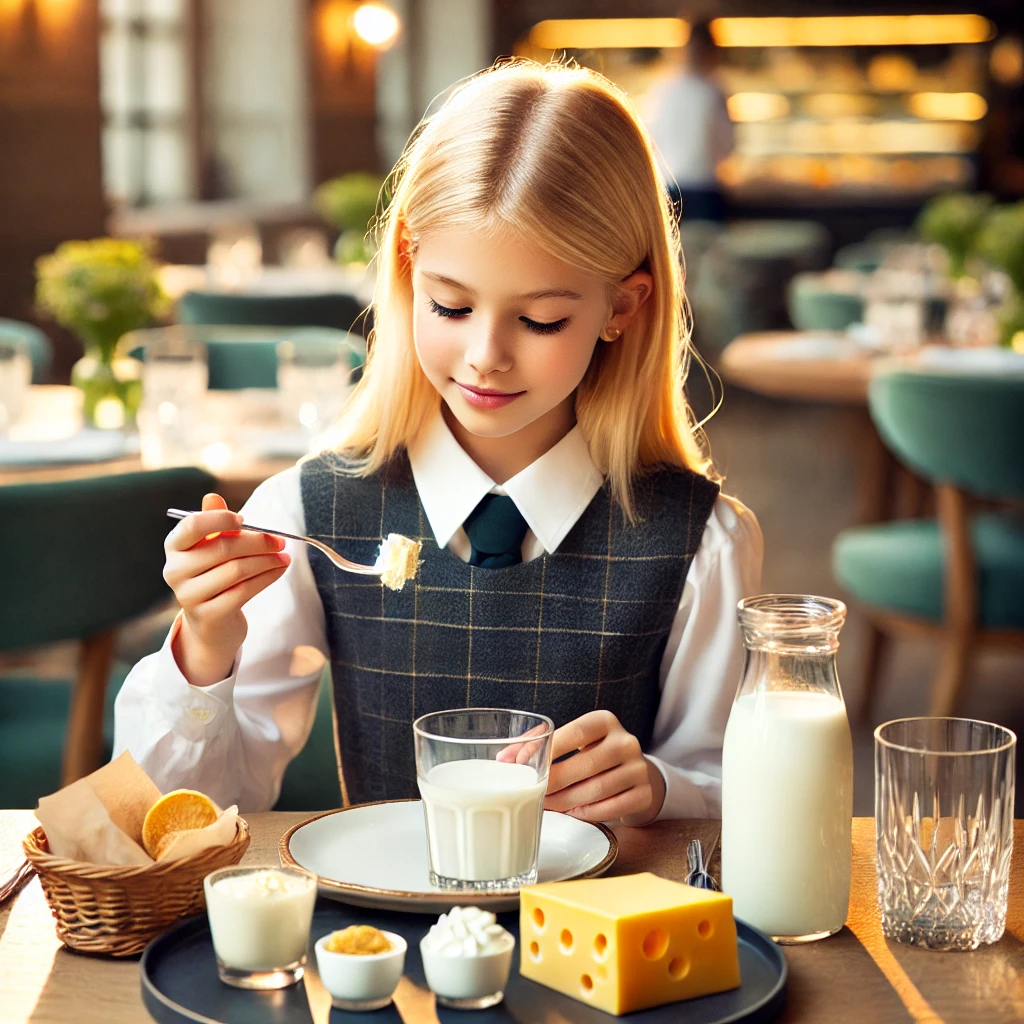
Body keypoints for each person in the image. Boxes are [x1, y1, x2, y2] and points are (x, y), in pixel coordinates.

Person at [113, 59, 761, 825]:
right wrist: (205, 644)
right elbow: (192, 809)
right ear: (406, 271)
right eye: (450, 307)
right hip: (378, 941)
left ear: (623, 306)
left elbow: (735, 794)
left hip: (601, 940)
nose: (487, 354)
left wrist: (659, 787)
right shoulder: (307, 511)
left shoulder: (703, 544)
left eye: (541, 320)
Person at [644, 20, 734, 222]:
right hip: (705, 190)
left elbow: (651, 140)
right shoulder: (715, 90)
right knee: (707, 250)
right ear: (712, 50)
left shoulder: (663, 89)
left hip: (668, 187)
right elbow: (728, 147)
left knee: (674, 251)